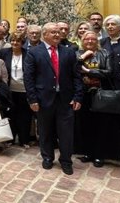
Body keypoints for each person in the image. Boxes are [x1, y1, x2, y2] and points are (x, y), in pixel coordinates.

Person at [24, 22, 83, 175]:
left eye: (58, 32)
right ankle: (48, 157)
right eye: (53, 32)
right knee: (45, 131)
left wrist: (78, 97)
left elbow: (76, 76)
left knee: (66, 132)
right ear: (45, 35)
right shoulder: (34, 52)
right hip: (43, 100)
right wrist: (32, 99)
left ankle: (66, 160)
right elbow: (28, 78)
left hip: (65, 100)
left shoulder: (69, 52)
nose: (57, 35)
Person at [75, 31, 120, 167]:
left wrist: (88, 72)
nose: (90, 41)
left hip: (102, 94)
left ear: (97, 40)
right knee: (86, 125)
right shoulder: (77, 53)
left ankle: (99, 155)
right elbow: (73, 69)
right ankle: (88, 152)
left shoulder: (105, 53)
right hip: (83, 95)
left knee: (102, 126)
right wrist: (82, 58)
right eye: (87, 39)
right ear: (82, 41)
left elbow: (109, 72)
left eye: (93, 39)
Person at [99, 14, 120, 162]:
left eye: (113, 24)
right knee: (106, 120)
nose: (110, 27)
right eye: (108, 25)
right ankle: (108, 151)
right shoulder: (101, 42)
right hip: (105, 85)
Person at [0, 32, 31, 147]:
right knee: (10, 114)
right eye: (12, 40)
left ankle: (24, 140)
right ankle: (10, 139)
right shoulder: (4, 53)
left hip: (24, 90)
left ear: (22, 42)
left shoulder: (28, 54)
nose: (14, 43)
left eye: (17, 41)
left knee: (25, 116)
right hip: (9, 90)